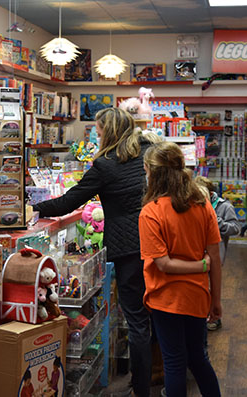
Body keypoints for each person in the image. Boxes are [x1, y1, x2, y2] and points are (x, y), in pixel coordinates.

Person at [32, 107, 159, 397]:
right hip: (159, 240)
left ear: (108, 132)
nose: (95, 135)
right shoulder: (150, 151)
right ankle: (160, 374)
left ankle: (141, 389)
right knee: (156, 315)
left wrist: (33, 207)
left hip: (130, 249)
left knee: (137, 319)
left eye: (98, 131)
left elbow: (68, 202)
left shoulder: (106, 164)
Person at [139, 141, 222, 397]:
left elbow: (162, 263)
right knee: (198, 358)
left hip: (166, 298)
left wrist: (199, 265)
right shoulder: (202, 205)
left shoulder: (150, 213)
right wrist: (215, 299)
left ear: (151, 172)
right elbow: (215, 258)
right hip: (197, 294)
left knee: (174, 362)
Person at [194, 176, 240, 331]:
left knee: (214, 285)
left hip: (216, 251)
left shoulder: (224, 206)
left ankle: (214, 317)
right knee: (202, 285)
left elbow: (235, 228)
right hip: (198, 252)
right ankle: (203, 314)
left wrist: (217, 222)